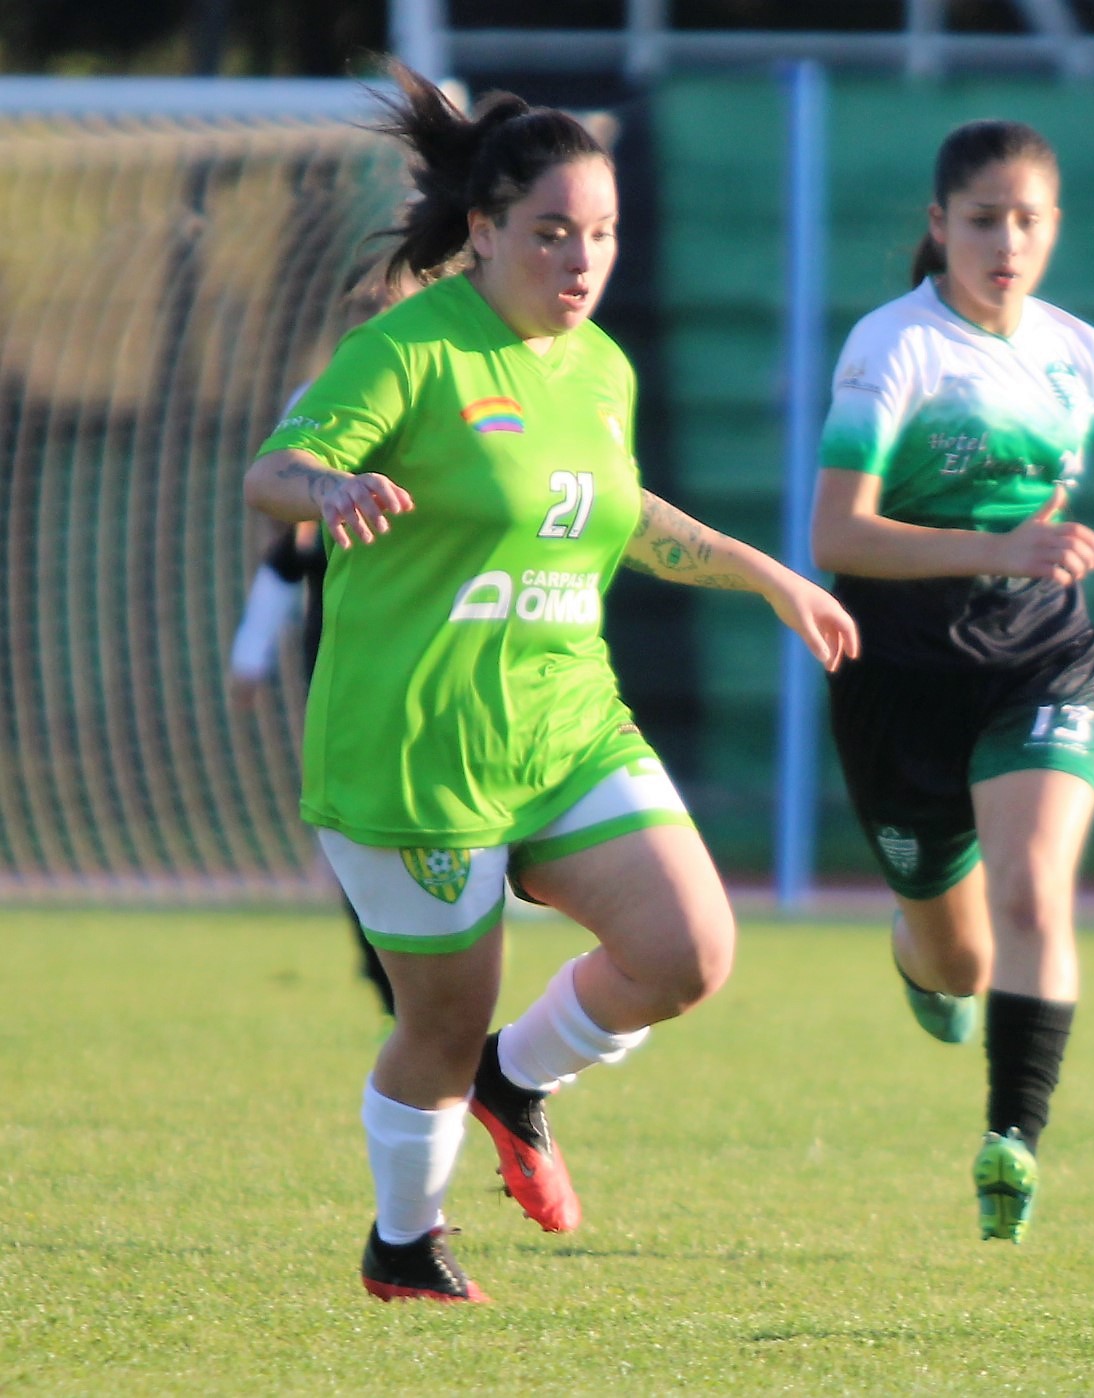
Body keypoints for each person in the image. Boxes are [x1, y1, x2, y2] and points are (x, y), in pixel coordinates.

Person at [243, 60, 859, 1304]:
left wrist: (762, 574)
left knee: (687, 950)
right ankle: (404, 1244)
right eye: (552, 232)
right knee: (436, 1025)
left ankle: (515, 1079)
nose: (581, 261)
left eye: (604, 234)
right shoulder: (409, 350)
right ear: (482, 231)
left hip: (566, 725)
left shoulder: (601, 370)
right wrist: (333, 487)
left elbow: (620, 515)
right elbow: (273, 473)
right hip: (418, 749)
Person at [810, 120, 1094, 1245]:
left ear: (1053, 229)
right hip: (897, 674)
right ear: (939, 225)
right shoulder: (892, 347)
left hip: (1041, 657)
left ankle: (1012, 1139)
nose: (1005, 242)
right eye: (982, 220)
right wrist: (995, 545)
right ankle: (918, 957)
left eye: (1026, 220)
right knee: (959, 957)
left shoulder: (1078, 354)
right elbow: (835, 533)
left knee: (1032, 891)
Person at [230, 262, 421, 1018]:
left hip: (440, 638)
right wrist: (250, 655)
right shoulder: (321, 406)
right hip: (347, 651)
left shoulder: (462, 400)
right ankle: (386, 974)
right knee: (358, 819)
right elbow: (289, 548)